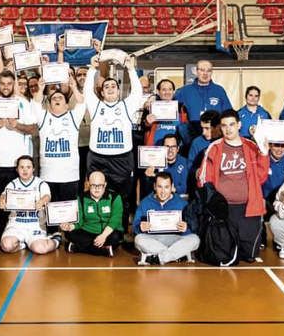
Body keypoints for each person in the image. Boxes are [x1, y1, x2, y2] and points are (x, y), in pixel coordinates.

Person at [197, 109, 269, 264]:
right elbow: (203, 179)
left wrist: (264, 154)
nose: (228, 129)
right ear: (220, 128)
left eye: (231, 124)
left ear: (239, 125)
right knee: (226, 254)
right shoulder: (214, 148)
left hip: (248, 206)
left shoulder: (251, 146)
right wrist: (214, 203)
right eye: (224, 125)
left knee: (249, 255)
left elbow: (261, 177)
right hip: (224, 209)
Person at [84, 47, 144, 229]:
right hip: (98, 158)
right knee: (96, 194)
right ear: (101, 92)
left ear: (119, 91)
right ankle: (96, 226)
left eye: (113, 86)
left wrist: (131, 70)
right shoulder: (95, 106)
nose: (110, 89)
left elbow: (137, 93)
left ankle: (120, 228)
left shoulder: (127, 105)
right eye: (106, 87)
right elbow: (87, 91)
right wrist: (92, 70)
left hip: (122, 159)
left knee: (122, 197)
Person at [0, 69, 38, 243]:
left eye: (9, 83)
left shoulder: (23, 102)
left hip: (19, 164)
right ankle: (1, 232)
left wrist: (17, 125)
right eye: (3, 83)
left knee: (20, 201)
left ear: (14, 84)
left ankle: (20, 232)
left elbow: (34, 129)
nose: (6, 87)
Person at [36, 77, 85, 215]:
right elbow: (35, 103)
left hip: (69, 175)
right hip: (48, 175)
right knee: (50, 212)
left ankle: (69, 234)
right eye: (54, 98)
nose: (57, 99)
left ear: (67, 105)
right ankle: (54, 234)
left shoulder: (73, 117)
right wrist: (40, 89)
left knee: (68, 213)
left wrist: (74, 87)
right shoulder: (44, 117)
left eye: (60, 98)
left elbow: (82, 103)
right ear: (49, 104)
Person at [134, 172, 200, 266]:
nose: (163, 191)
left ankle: (160, 258)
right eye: (160, 187)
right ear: (154, 186)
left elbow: (193, 226)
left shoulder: (182, 203)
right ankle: (177, 255)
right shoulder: (145, 203)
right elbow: (135, 226)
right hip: (154, 240)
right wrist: (140, 227)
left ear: (172, 187)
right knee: (138, 239)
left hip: (176, 238)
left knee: (195, 239)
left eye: (166, 187)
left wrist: (186, 227)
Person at [0, 156, 59, 254]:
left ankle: (56, 240)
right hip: (16, 225)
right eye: (22, 167)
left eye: (28, 167)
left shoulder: (41, 184)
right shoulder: (13, 184)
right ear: (17, 169)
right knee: (6, 246)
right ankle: (22, 244)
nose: (25, 170)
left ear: (33, 169)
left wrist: (42, 201)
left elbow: (47, 196)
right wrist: (2, 200)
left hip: (35, 225)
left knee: (41, 249)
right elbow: (4, 195)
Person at [60, 170, 124, 257]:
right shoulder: (81, 198)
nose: (97, 188)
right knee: (69, 234)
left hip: (108, 232)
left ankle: (77, 248)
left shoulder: (115, 197)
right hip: (88, 231)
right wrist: (69, 226)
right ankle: (104, 250)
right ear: (88, 184)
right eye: (93, 185)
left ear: (105, 184)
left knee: (116, 237)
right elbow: (79, 222)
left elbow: (115, 220)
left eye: (100, 185)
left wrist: (103, 236)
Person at [174, 59, 232, 143]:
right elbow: (168, 104)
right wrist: (154, 98)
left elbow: (228, 112)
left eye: (208, 70)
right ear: (196, 71)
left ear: (212, 72)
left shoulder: (219, 90)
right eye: (202, 70)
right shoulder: (185, 91)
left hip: (215, 132)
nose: (205, 73)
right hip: (193, 132)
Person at [140, 134, 190, 198]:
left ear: (178, 148)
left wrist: (172, 189)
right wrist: (149, 178)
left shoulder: (184, 162)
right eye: (167, 147)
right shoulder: (155, 162)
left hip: (178, 198)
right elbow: (148, 190)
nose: (170, 150)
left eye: (173, 147)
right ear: (162, 148)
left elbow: (184, 188)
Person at [143, 78, 186, 146]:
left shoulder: (181, 108)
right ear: (158, 91)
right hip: (156, 149)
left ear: (173, 91)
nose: (167, 92)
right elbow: (143, 128)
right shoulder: (151, 107)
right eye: (164, 90)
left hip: (175, 150)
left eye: (170, 89)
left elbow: (185, 128)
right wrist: (147, 123)